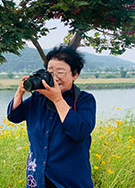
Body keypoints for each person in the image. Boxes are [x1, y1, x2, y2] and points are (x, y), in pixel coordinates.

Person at [7, 45, 96, 188]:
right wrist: (19, 93)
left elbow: (80, 131)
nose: (54, 78)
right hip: (38, 177)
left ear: (74, 75)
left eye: (60, 72)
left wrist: (58, 100)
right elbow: (14, 116)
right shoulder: (39, 97)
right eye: (50, 72)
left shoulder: (84, 100)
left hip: (69, 179)